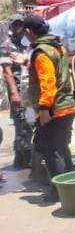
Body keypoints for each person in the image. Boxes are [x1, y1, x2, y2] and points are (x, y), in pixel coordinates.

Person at [23, 14, 75, 200]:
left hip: (54, 109)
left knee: (51, 150)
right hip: (67, 104)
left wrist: (44, 110)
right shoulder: (58, 46)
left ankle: (60, 192)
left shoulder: (41, 52)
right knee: (62, 148)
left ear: (29, 32)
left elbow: (48, 83)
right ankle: (71, 189)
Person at [0, 14, 33, 171]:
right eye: (15, 25)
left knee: (29, 124)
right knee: (22, 124)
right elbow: (7, 72)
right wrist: (14, 93)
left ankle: (24, 158)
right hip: (18, 91)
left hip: (28, 91)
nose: (19, 27)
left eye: (21, 24)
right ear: (11, 27)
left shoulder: (26, 43)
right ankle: (23, 160)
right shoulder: (6, 46)